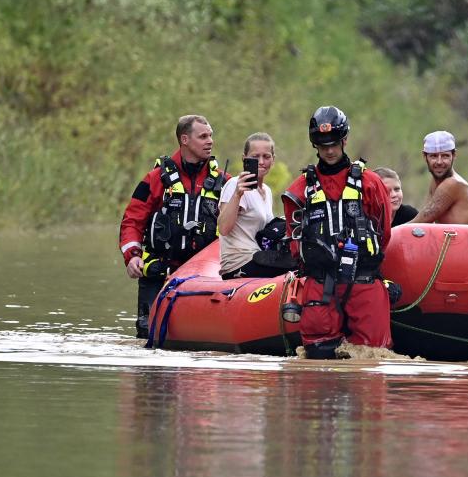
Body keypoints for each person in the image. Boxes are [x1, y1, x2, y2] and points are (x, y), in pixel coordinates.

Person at [282, 105, 394, 359]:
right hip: (319, 285)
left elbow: (383, 232)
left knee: (372, 359)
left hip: (364, 281)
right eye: (323, 145)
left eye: (333, 144)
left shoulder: (371, 183)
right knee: (316, 361)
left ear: (344, 140)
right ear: (315, 145)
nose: (329, 151)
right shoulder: (299, 190)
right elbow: (294, 240)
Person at [119, 114, 227, 338]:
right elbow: (132, 220)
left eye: (211, 136)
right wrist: (132, 256)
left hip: (205, 277)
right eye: (203, 136)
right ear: (185, 140)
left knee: (202, 337)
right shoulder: (156, 178)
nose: (210, 141)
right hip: (159, 274)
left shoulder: (224, 181)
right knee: (149, 335)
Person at [218, 132, 290, 280]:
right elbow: (223, 229)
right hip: (238, 263)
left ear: (273, 159)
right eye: (255, 157)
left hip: (259, 256)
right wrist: (237, 195)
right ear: (245, 159)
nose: (262, 162)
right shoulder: (235, 184)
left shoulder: (267, 191)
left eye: (266, 156)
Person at [406, 130, 468, 224]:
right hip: (444, 238)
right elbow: (425, 219)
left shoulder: (454, 183)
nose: (439, 162)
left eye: (445, 156)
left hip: (459, 238)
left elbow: (423, 220)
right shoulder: (435, 182)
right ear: (424, 156)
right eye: (434, 156)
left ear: (454, 155)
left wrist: (393, 232)